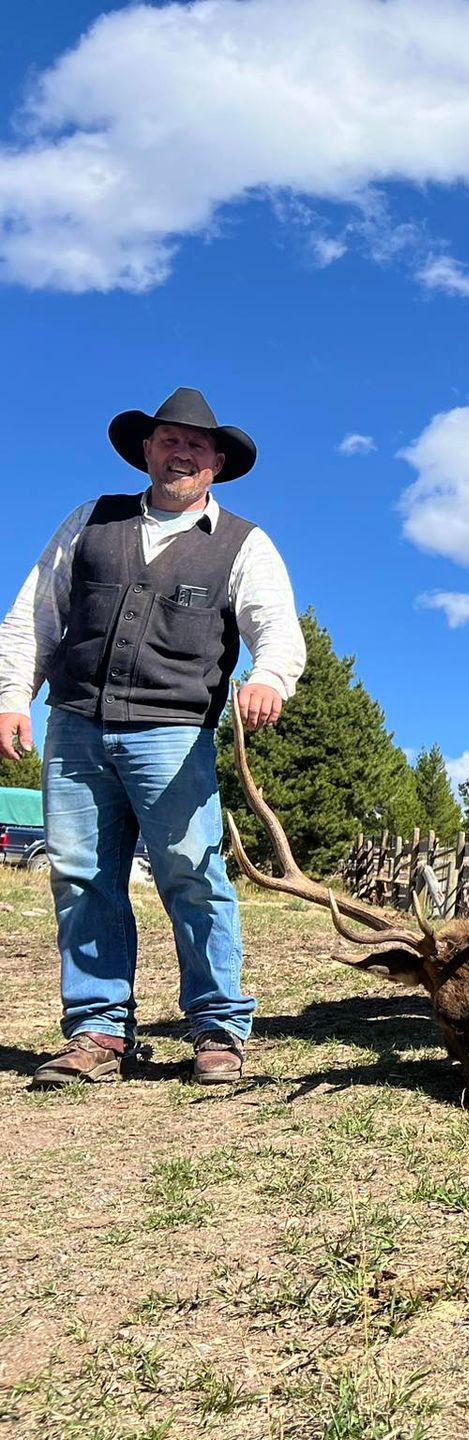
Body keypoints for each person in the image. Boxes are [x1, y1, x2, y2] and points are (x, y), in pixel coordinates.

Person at [1, 387, 305, 1087]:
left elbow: (277, 629)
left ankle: (218, 1028)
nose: (182, 453)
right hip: (75, 725)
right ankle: (99, 1033)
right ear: (147, 449)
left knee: (193, 877)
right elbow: (35, 614)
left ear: (217, 463)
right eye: (170, 440)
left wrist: (270, 679)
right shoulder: (91, 521)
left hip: (173, 735)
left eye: (197, 446)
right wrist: (13, 696)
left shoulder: (243, 543)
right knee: (81, 879)